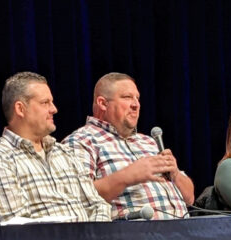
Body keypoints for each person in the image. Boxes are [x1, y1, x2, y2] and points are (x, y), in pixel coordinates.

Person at [0, 72, 114, 223]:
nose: (54, 109)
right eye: (45, 103)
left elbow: (98, 206)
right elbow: (17, 228)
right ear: (20, 109)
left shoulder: (65, 153)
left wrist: (95, 239)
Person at [65, 72, 194, 220]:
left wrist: (176, 174)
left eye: (137, 98)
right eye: (127, 97)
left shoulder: (149, 141)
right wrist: (128, 176)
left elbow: (190, 199)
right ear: (102, 103)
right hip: (132, 237)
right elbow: (77, 199)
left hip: (182, 234)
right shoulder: (81, 141)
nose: (136, 104)